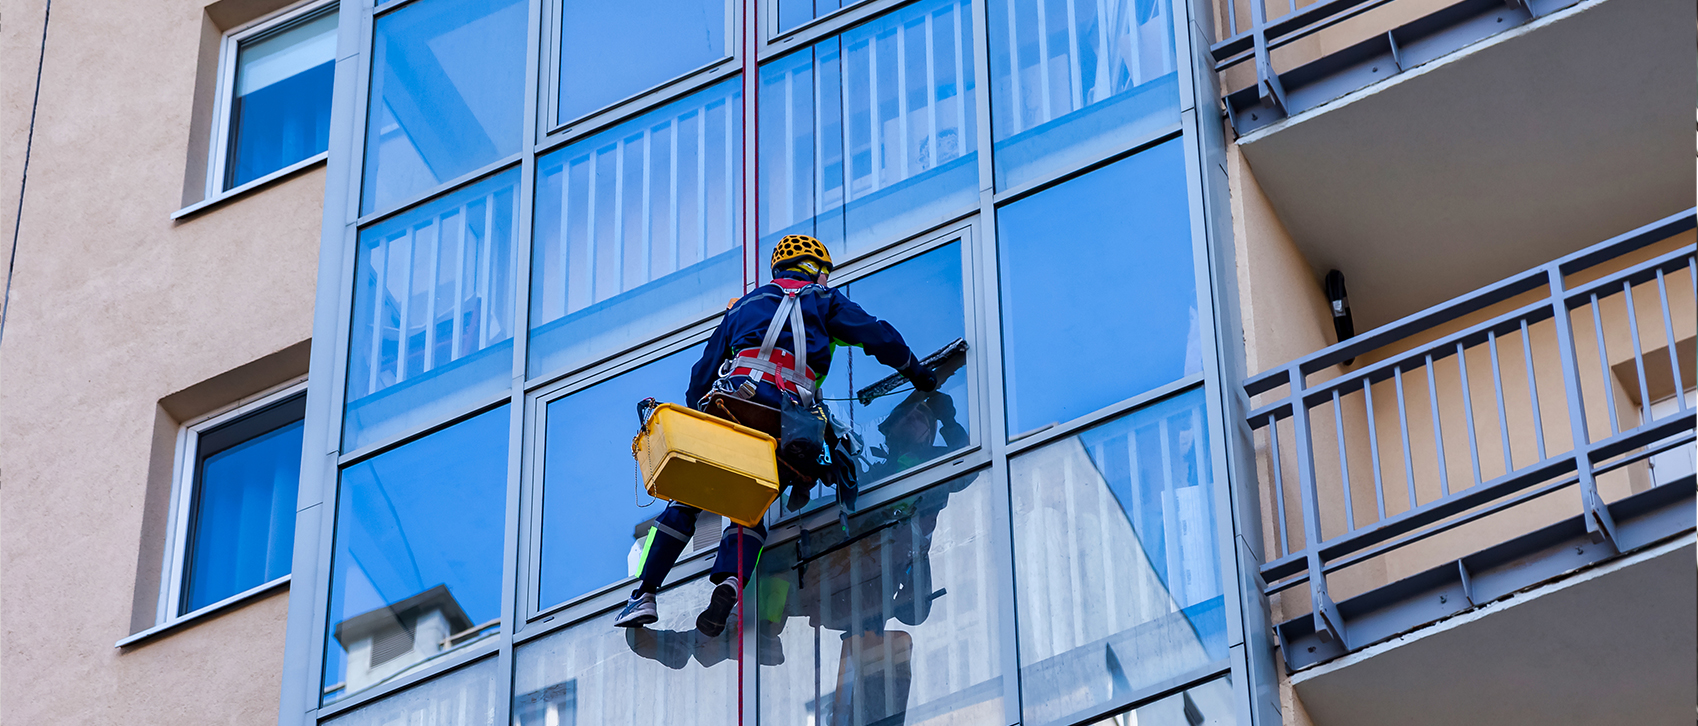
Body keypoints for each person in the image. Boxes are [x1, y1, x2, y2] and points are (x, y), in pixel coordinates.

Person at [614, 234, 938, 636]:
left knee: (690, 497)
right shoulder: (824, 300)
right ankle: (731, 580)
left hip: (732, 406)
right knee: (752, 502)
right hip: (787, 420)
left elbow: (702, 373)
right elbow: (877, 336)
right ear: (815, 269)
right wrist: (917, 373)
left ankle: (643, 593)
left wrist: (698, 422)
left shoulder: (743, 307)